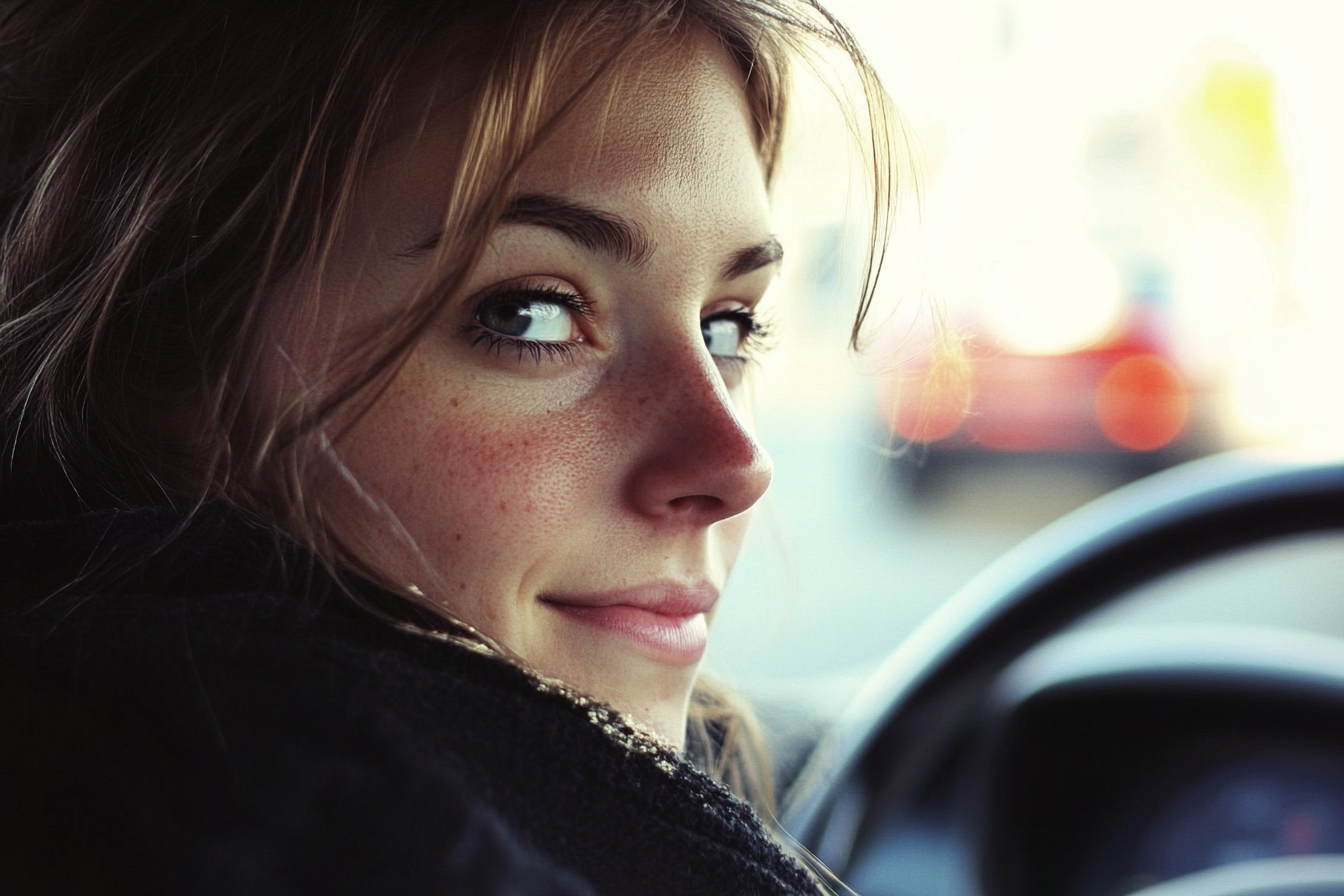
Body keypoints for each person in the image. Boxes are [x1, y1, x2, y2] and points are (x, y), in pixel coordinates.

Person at [0, 0, 894, 892]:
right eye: (529, 312)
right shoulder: (309, 824)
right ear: (152, 362)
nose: (737, 465)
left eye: (727, 327)